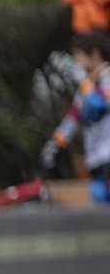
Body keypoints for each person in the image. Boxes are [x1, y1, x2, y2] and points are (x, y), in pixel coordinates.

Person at [41, 32, 110, 206]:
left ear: (94, 54)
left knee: (102, 193)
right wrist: (56, 144)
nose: (76, 62)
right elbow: (73, 118)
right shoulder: (85, 88)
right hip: (96, 156)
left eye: (78, 55)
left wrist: (88, 87)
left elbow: (99, 104)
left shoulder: (106, 80)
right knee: (99, 196)